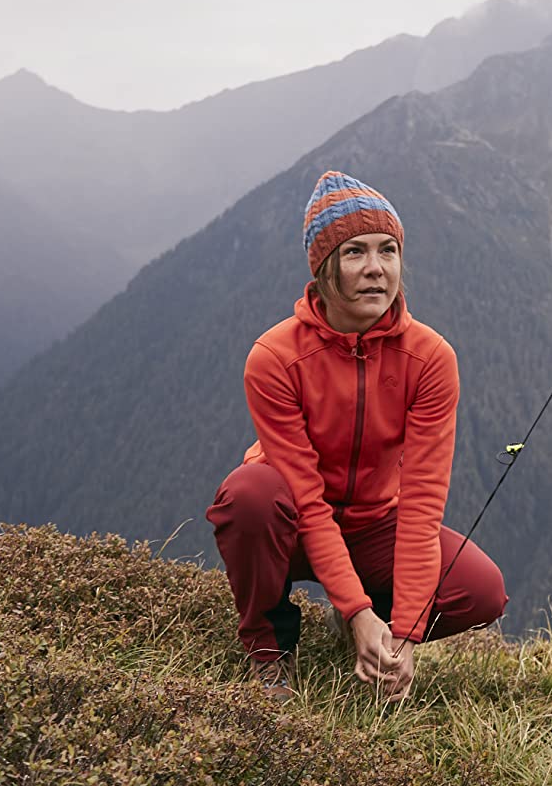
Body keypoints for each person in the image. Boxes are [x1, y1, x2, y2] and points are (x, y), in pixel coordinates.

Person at [207, 170, 507, 702]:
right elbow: (304, 495)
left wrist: (408, 630)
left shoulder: (431, 359)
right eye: (354, 253)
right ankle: (269, 647)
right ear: (324, 270)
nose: (376, 269)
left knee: (479, 591)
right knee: (250, 496)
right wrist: (356, 605)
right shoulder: (275, 358)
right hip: (293, 522)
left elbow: (420, 504)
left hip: (376, 525)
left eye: (388, 250)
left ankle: (368, 637)